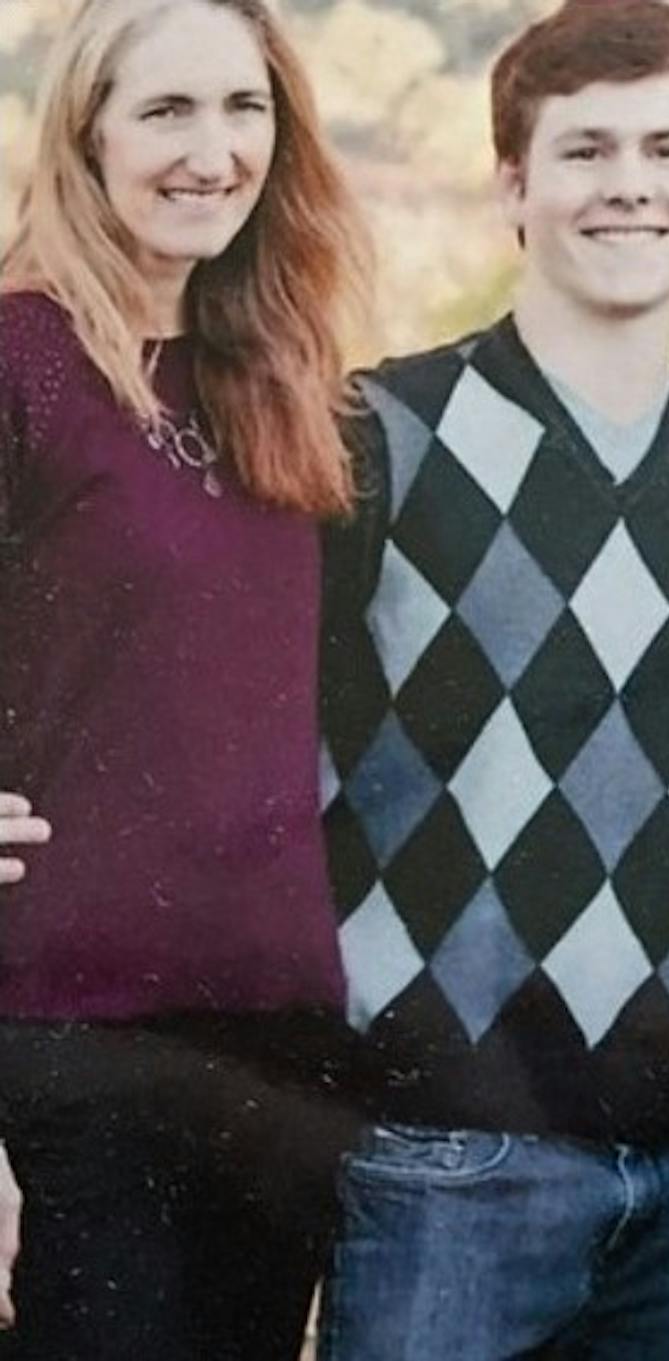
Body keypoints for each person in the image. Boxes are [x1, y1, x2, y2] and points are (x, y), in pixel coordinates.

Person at [311, 2, 669, 1355]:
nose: (630, 183)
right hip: (446, 1155)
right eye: (586, 148)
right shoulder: (383, 439)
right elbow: (275, 760)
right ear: (512, 185)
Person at [0, 0, 373, 1353]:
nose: (213, 151)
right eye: (167, 110)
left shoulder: (283, 375)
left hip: (280, 1019)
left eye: (244, 108)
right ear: (86, 133)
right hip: (79, 1019)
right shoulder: (21, 359)